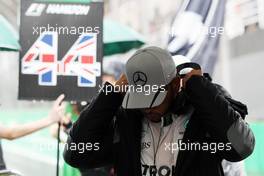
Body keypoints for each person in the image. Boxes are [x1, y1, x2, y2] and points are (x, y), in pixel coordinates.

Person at [63, 46, 255, 176]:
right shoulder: (127, 116)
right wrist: (110, 96)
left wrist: (201, 89)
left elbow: (241, 147)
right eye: (141, 98)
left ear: (174, 84)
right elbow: (76, 154)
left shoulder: (203, 111)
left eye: (154, 99)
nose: (147, 107)